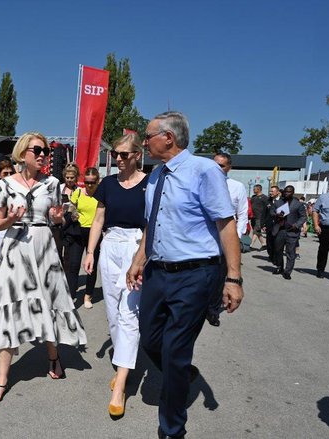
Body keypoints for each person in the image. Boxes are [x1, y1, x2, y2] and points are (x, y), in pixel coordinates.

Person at [126, 111, 244, 439]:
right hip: (158, 273)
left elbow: (226, 224)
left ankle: (172, 429)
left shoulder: (204, 170)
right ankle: (183, 372)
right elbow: (153, 222)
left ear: (169, 138)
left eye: (148, 136)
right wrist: (139, 259)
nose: (143, 142)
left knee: (175, 349)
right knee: (149, 339)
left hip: (195, 274)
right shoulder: (155, 176)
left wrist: (233, 278)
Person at [0, 132, 87, 406]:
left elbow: (58, 217)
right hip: (15, 248)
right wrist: (10, 219)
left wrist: (58, 219)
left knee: (48, 303)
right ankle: (2, 379)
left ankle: (53, 356)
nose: (43, 155)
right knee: (9, 307)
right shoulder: (5, 185)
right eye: (37, 150)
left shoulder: (54, 184)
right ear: (22, 152)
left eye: (46, 151)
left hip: (44, 247)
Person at [84, 133, 147, 418]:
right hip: (109, 246)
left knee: (129, 313)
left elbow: (152, 224)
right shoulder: (108, 184)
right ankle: (125, 363)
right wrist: (90, 252)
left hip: (136, 247)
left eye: (123, 155)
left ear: (137, 155)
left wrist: (141, 258)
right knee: (112, 311)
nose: (118, 159)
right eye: (114, 155)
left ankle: (120, 385)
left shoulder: (150, 183)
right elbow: (98, 219)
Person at [207, 153, 249, 326]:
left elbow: (242, 213)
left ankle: (213, 310)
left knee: (220, 276)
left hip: (227, 239)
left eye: (222, 166)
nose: (218, 168)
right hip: (206, 239)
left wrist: (236, 237)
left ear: (229, 168)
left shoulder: (236, 187)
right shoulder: (204, 183)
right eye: (215, 164)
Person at [64, 167, 101, 308]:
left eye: (92, 182)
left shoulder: (101, 194)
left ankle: (88, 295)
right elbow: (71, 206)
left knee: (91, 266)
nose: (89, 185)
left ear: (97, 181)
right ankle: (71, 295)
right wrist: (73, 213)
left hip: (94, 233)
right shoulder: (78, 192)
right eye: (87, 182)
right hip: (78, 232)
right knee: (73, 265)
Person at [270, 185, 306, 280]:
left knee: (290, 252)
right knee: (278, 250)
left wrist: (297, 225)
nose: (287, 193)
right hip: (280, 230)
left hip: (292, 231)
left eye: (289, 192)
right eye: (285, 191)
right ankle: (279, 267)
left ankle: (287, 271)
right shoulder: (278, 202)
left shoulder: (298, 204)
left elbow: (303, 217)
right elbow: (271, 212)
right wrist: (276, 215)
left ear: (293, 192)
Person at [264, 185, 281, 262]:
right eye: (270, 191)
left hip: (279, 225)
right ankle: (271, 254)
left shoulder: (282, 201)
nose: (271, 193)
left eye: (272, 191)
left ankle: (275, 257)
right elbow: (264, 213)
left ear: (277, 192)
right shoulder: (268, 201)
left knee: (277, 242)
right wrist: (263, 224)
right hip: (269, 224)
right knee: (269, 242)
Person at [250, 184, 268, 249]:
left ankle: (250, 245)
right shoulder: (253, 197)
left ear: (258, 189)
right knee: (257, 232)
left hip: (260, 217)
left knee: (256, 231)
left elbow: (267, 208)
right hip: (253, 217)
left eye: (254, 189)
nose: (253, 190)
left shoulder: (264, 198)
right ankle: (264, 244)